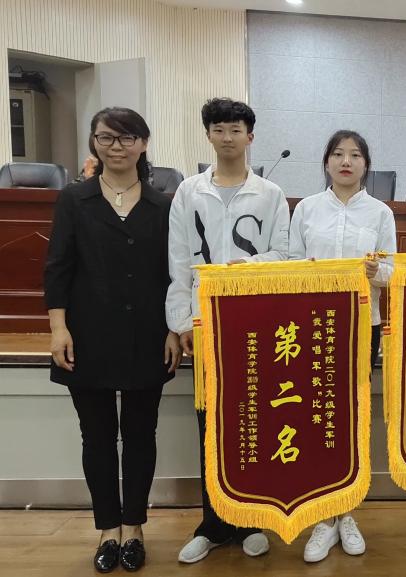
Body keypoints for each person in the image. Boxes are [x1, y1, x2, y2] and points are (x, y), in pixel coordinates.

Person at [45, 107, 181, 573]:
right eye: (106, 137)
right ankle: (107, 529)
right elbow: (58, 267)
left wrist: (173, 329)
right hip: (88, 334)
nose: (116, 146)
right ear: (94, 143)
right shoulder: (74, 200)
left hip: (149, 334)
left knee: (141, 435)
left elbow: (174, 274)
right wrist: (58, 327)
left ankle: (135, 527)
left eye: (126, 138)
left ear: (143, 143)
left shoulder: (164, 205)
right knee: (97, 436)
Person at [166, 98, 290, 564]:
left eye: (236, 129)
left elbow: (286, 255)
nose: (228, 137)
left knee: (253, 421)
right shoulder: (188, 192)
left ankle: (252, 519)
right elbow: (179, 260)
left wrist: (248, 265)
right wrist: (181, 322)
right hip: (205, 324)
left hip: (255, 322)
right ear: (209, 136)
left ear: (250, 136)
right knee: (211, 425)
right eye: (219, 129)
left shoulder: (270, 194)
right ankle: (214, 525)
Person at [289, 129, 397, 562]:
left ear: (366, 164)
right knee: (318, 416)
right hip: (314, 326)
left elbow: (392, 271)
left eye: (354, 155)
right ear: (327, 162)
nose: (346, 161)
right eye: (338, 154)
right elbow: (291, 264)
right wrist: (307, 270)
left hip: (361, 326)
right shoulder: (307, 209)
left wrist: (376, 273)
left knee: (353, 417)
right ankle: (324, 515)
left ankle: (347, 511)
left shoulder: (380, 212)